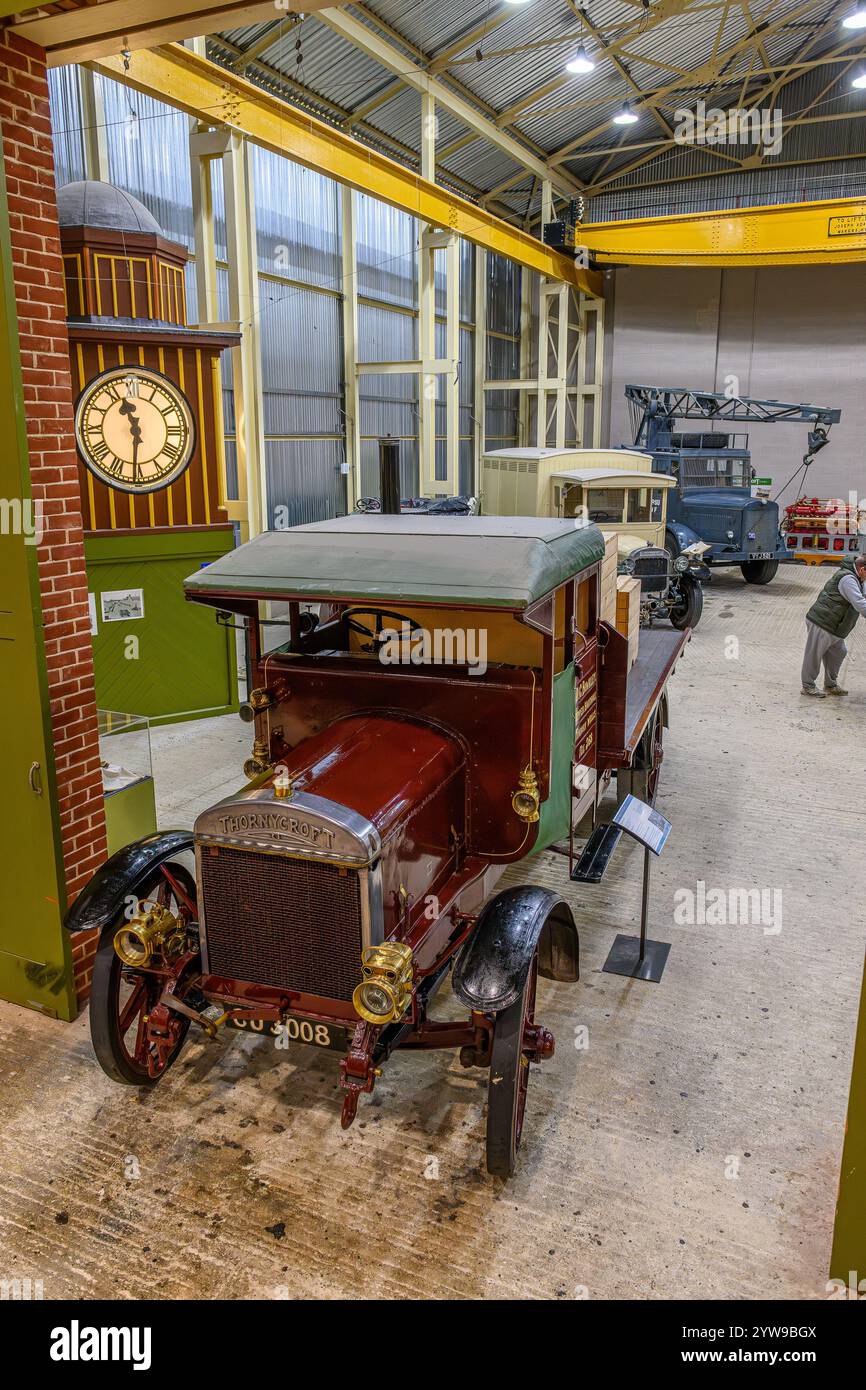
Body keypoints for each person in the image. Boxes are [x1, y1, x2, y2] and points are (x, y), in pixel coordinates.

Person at [801, 552, 866, 697]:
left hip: (835, 626)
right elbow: (860, 604)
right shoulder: (848, 579)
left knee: (839, 652)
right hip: (823, 622)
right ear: (862, 569)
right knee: (814, 655)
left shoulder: (859, 579)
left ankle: (830, 685)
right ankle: (808, 686)